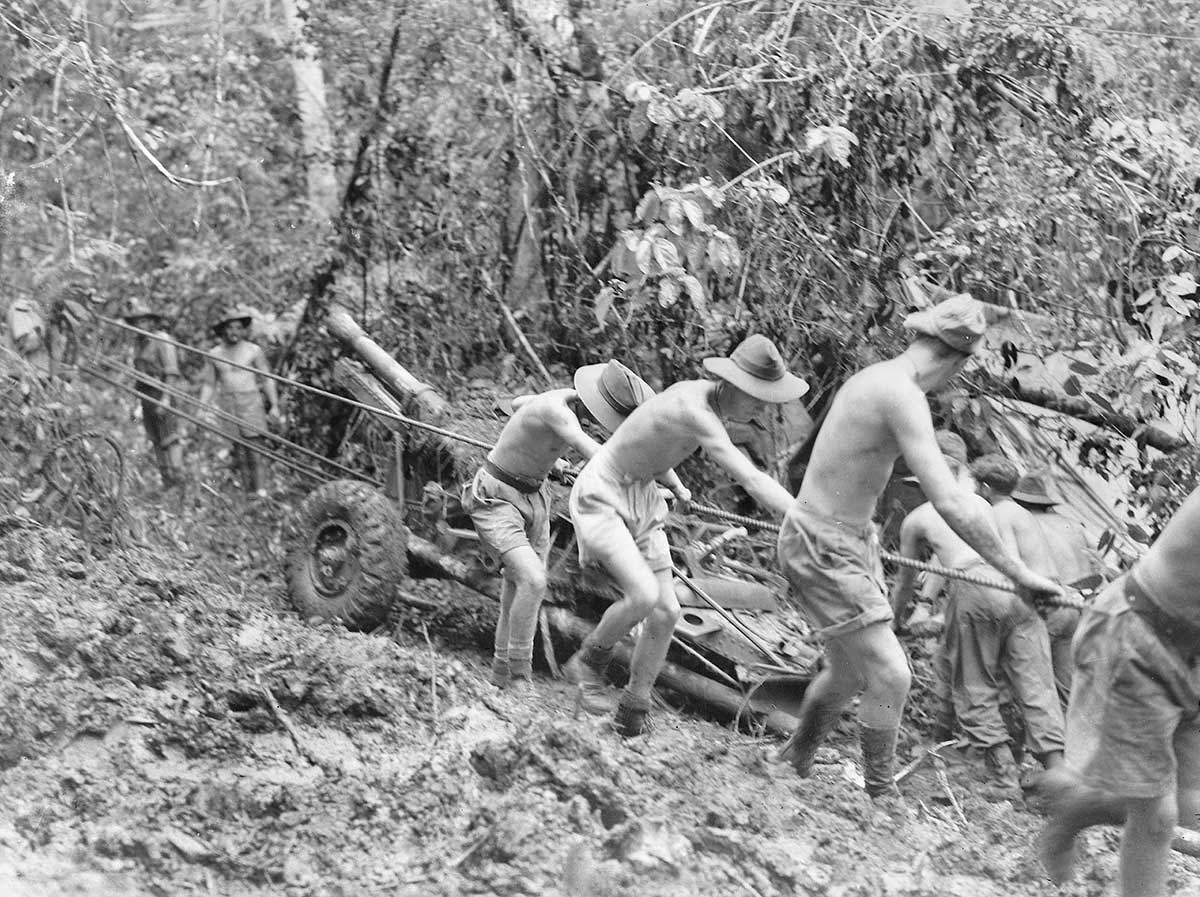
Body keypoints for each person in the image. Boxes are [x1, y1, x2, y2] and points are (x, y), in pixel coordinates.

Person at [776, 294, 1062, 805]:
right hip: (823, 540)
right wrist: (1019, 574)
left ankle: (795, 758)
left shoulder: (883, 380)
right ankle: (881, 793)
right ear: (958, 359)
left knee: (846, 673)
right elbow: (952, 500)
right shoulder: (898, 392)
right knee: (891, 675)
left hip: (843, 538)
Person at [563, 334, 809, 736]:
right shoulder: (696, 408)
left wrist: (677, 488)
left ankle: (632, 709)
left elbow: (651, 439)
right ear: (729, 383)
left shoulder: (702, 400)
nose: (761, 407)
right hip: (603, 492)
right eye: (755, 396)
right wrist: (805, 516)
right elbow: (748, 475)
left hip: (642, 494)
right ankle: (587, 664)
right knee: (642, 595)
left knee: (668, 612)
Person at [1039, 486, 1200, 897]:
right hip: (1139, 639)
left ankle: (1080, 804)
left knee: (1188, 809)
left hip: (1191, 653)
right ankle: (1077, 807)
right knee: (1158, 815)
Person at [461, 361, 647, 692]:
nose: (600, 424)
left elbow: (517, 404)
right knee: (533, 581)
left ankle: (500, 673)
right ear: (589, 401)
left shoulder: (555, 403)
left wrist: (557, 463)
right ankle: (520, 676)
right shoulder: (557, 410)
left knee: (516, 590)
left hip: (536, 497)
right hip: (498, 497)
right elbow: (600, 456)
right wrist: (640, 481)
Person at [893, 442, 1064, 800]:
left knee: (974, 683)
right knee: (1036, 684)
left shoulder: (918, 519)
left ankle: (1004, 779)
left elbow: (906, 580)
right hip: (1016, 586)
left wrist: (897, 619)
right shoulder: (983, 504)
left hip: (975, 588)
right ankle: (1059, 776)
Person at [974, 457, 1076, 705]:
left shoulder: (997, 513)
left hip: (1041, 605)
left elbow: (1011, 564)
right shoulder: (1024, 514)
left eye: (977, 486)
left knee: (1020, 685)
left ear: (986, 488)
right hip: (1064, 604)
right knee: (1065, 693)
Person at [1012, 469, 1094, 703]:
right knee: (1067, 685)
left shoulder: (1024, 524)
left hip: (1052, 606)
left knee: (1032, 681)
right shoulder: (1073, 525)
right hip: (1081, 605)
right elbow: (1104, 562)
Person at [198, 305, 280, 495]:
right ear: (223, 330)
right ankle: (247, 493)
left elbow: (266, 378)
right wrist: (202, 407)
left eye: (237, 327)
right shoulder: (215, 354)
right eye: (229, 327)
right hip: (228, 403)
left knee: (255, 449)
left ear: (243, 330)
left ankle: (261, 490)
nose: (233, 332)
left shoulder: (253, 350)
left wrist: (274, 405)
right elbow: (209, 384)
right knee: (239, 450)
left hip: (251, 402)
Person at [124, 300, 185, 488]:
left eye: (143, 322)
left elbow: (171, 372)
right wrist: (135, 403)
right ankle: (167, 481)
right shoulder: (137, 343)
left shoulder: (162, 340)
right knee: (156, 438)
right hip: (145, 395)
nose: (139, 327)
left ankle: (178, 478)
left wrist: (165, 400)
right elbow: (136, 373)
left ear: (151, 322)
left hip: (162, 392)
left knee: (170, 438)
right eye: (136, 323)